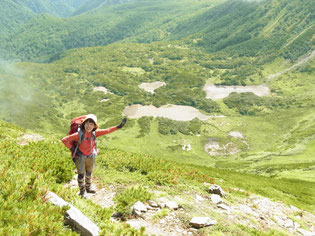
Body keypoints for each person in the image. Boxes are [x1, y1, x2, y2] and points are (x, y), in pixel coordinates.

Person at [62, 114, 127, 196]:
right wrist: (73, 149)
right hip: (80, 157)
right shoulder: (79, 134)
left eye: (91, 124)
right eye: (87, 123)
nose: (88, 126)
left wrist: (118, 127)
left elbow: (107, 130)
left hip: (91, 156)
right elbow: (64, 140)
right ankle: (82, 191)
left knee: (89, 173)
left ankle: (88, 187)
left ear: (94, 126)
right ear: (83, 124)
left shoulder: (95, 133)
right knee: (81, 175)